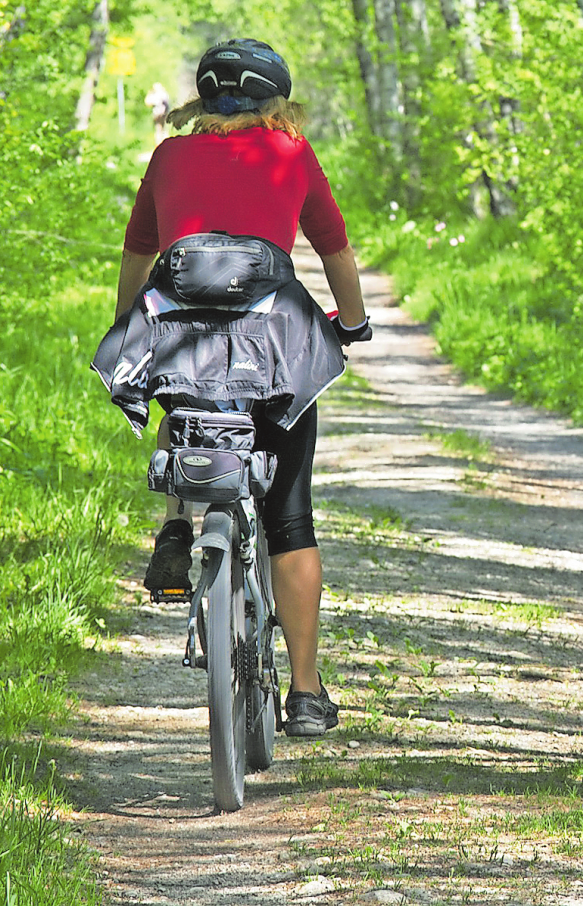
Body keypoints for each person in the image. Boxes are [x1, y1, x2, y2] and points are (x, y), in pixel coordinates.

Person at [108, 39, 372, 737]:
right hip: (272, 341)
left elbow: (139, 254)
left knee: (182, 398)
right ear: (274, 102)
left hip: (180, 331)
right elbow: (334, 249)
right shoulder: (290, 152)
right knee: (290, 517)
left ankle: (173, 524)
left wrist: (127, 325)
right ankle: (308, 694)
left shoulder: (168, 156)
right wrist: (356, 323)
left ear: (203, 100)